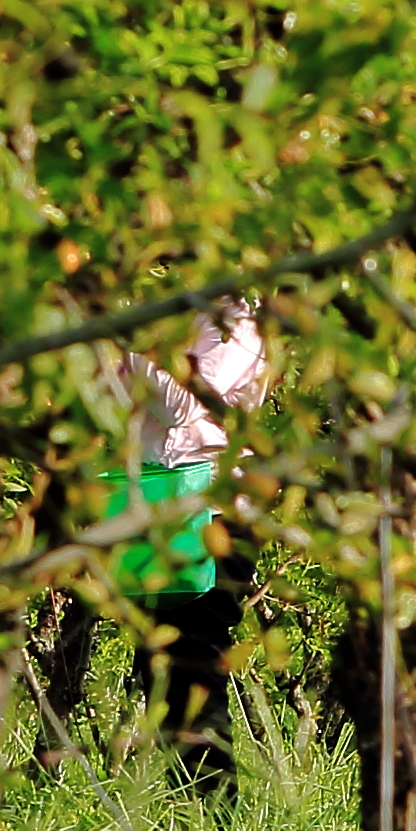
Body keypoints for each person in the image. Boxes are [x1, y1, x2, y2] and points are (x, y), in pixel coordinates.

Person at [105, 305, 271, 803]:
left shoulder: (240, 327)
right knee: (159, 659)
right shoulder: (169, 312)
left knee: (196, 656)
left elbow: (183, 404)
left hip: (218, 515)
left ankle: (212, 817)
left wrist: (120, 340)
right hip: (154, 505)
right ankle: (183, 818)